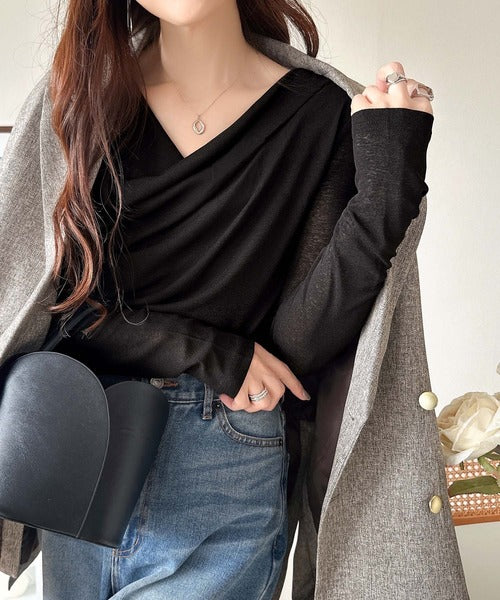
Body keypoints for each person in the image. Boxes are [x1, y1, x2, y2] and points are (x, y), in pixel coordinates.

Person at [21, 0, 433, 598]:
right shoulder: (79, 99)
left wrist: (386, 198)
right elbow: (53, 309)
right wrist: (206, 350)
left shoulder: (318, 112)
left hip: (224, 460)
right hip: (80, 456)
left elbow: (296, 349)